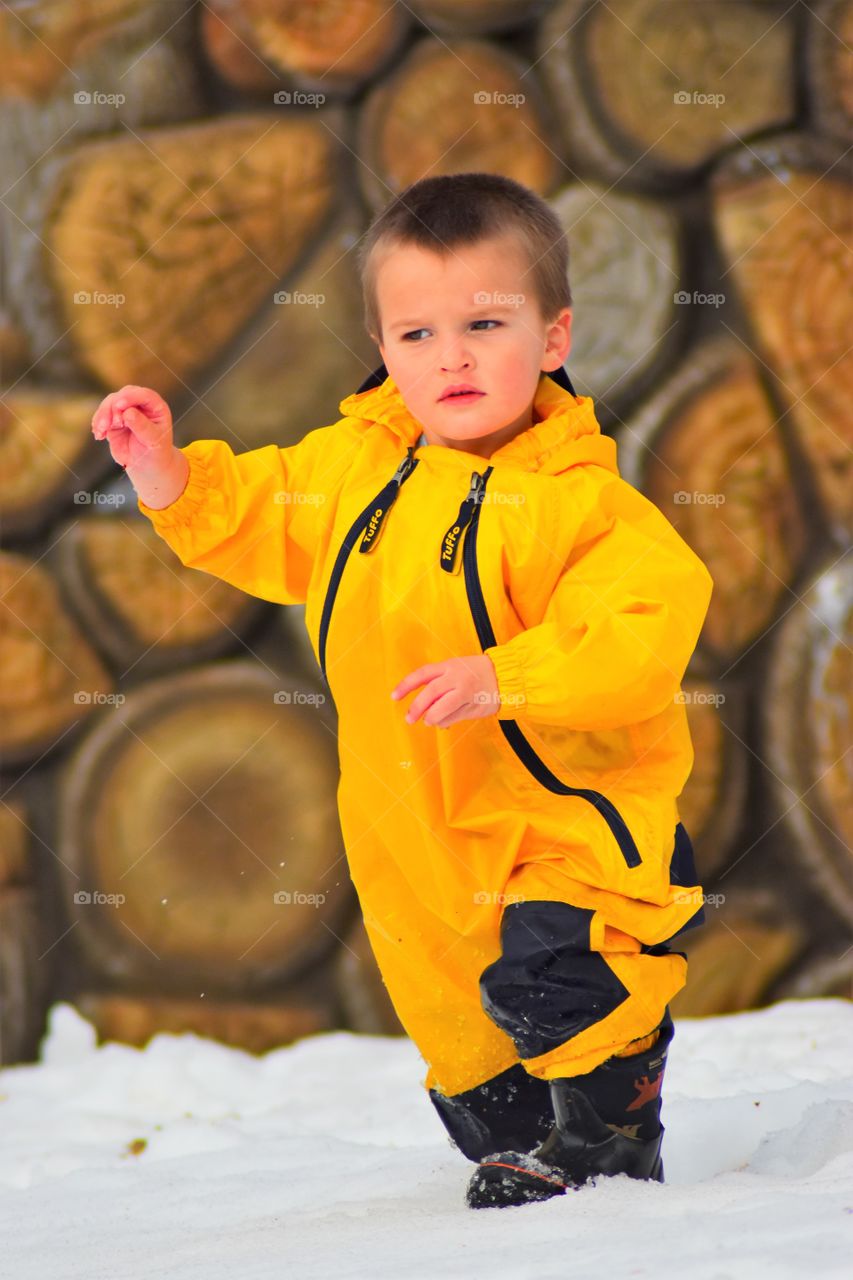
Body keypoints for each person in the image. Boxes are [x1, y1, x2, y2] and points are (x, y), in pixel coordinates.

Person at [91, 172, 713, 1210]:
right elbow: (261, 513)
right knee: (463, 1024)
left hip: (559, 813)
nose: (451, 356)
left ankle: (609, 1138)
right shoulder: (354, 469)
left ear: (552, 338)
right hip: (410, 822)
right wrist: (167, 472)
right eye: (415, 334)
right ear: (382, 347)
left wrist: (501, 676)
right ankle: (528, 1136)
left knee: (562, 968)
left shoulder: (582, 507)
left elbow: (635, 640)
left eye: (484, 322)